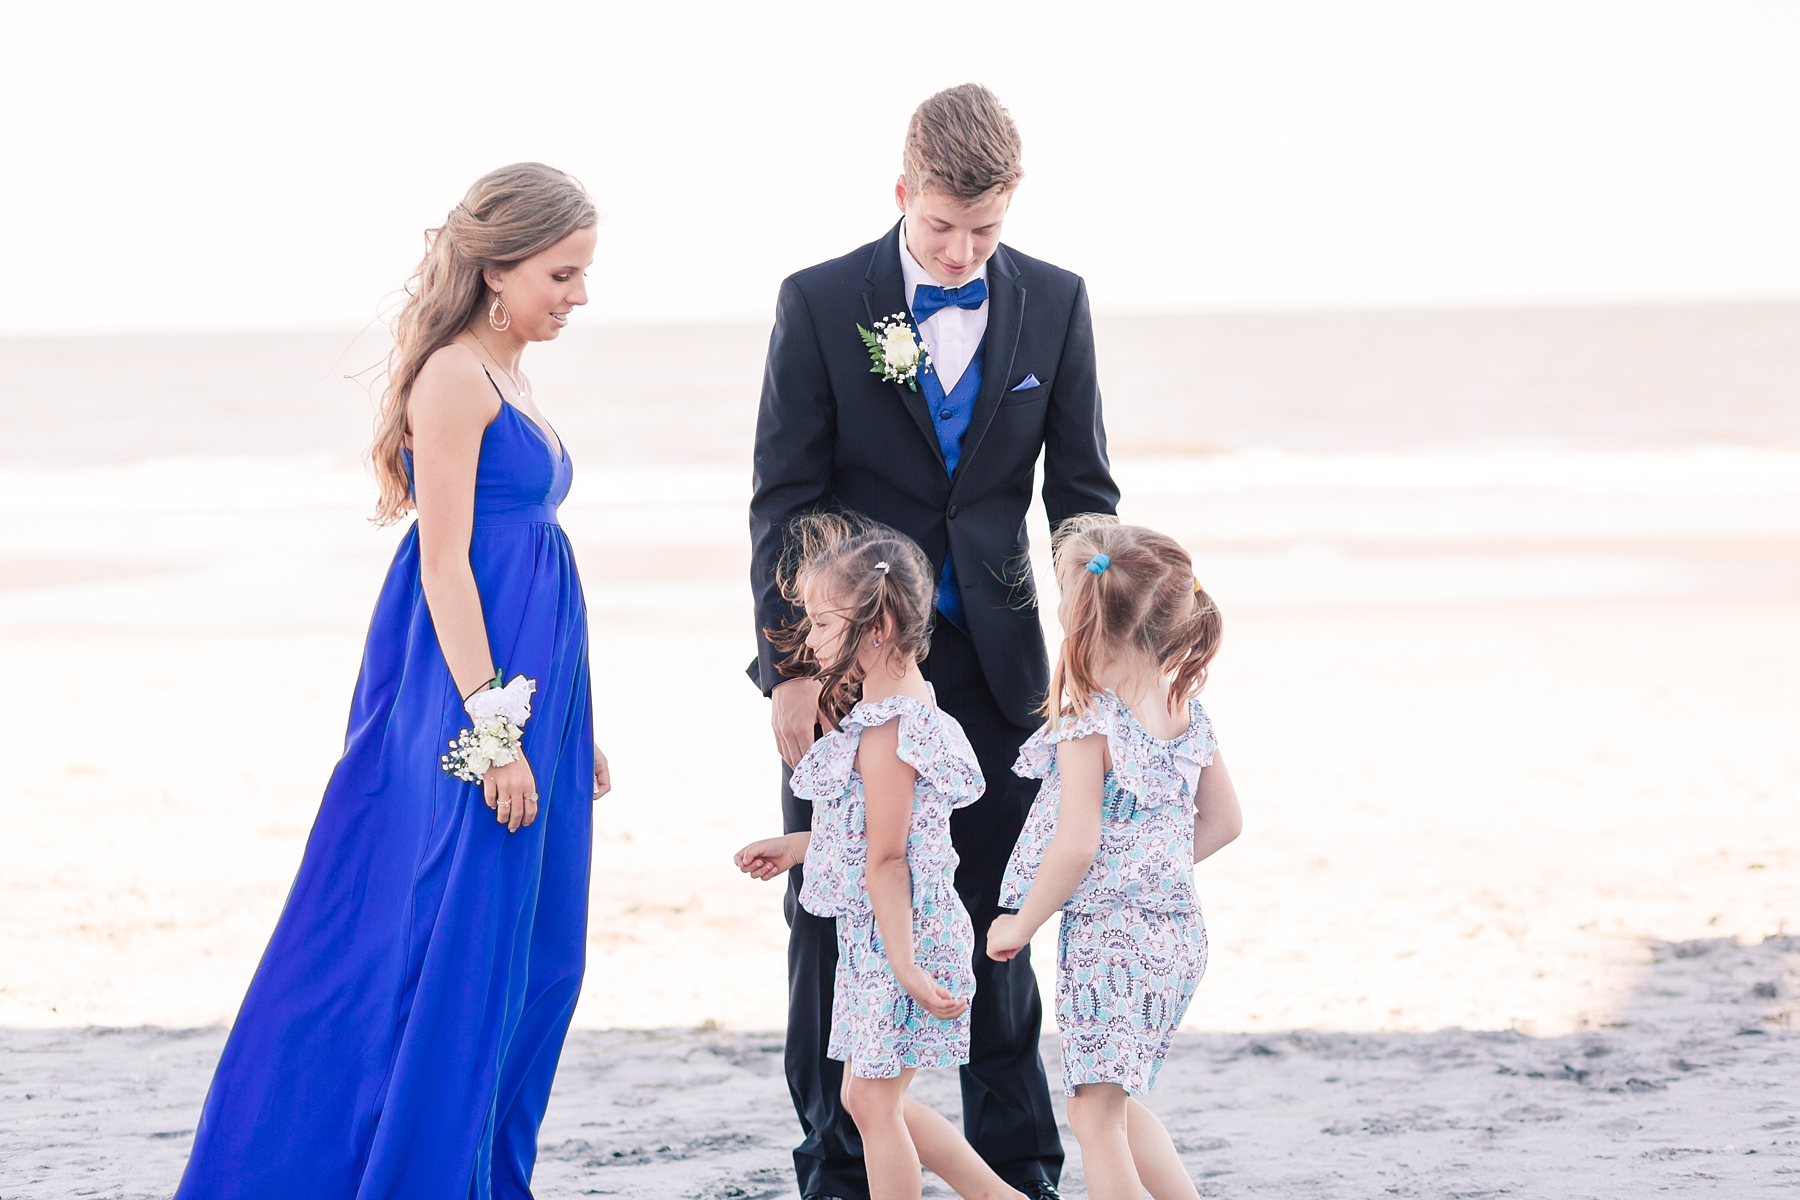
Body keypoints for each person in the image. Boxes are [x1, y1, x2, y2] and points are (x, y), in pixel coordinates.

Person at [175, 162, 611, 1200]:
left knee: (537, 953)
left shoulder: (509, 367)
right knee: (448, 940)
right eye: (563, 274)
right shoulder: (455, 374)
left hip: (523, 693)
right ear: (499, 268)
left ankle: (480, 1171)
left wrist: (564, 728)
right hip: (468, 699)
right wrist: (497, 733)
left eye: (584, 274)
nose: (579, 297)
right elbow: (444, 561)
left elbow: (523, 555)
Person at [749, 82, 1119, 1200]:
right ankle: (836, 1169)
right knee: (835, 916)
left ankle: (1020, 1169)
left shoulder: (1054, 303)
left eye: (986, 231)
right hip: (853, 673)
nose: (962, 253)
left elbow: (1084, 499)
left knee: (1001, 909)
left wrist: (1099, 651)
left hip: (1004, 671)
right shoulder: (819, 303)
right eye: (942, 227)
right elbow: (785, 501)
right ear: (902, 192)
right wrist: (789, 672)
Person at [735, 516, 1028, 1200]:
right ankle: (998, 1196)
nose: (807, 639)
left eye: (822, 623)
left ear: (879, 629)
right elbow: (880, 833)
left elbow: (892, 860)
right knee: (870, 1099)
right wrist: (799, 845)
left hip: (905, 935)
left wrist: (903, 964)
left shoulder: (890, 727)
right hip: (890, 932)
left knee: (871, 1103)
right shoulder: (901, 705)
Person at [986, 517, 1242, 1200]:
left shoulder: (1087, 723)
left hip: (1111, 944)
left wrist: (1021, 923)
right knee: (1116, 1106)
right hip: (1178, 938)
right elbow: (1224, 822)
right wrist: (1152, 866)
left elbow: (1076, 845)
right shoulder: (1185, 710)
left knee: (1092, 1115)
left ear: (1081, 621)